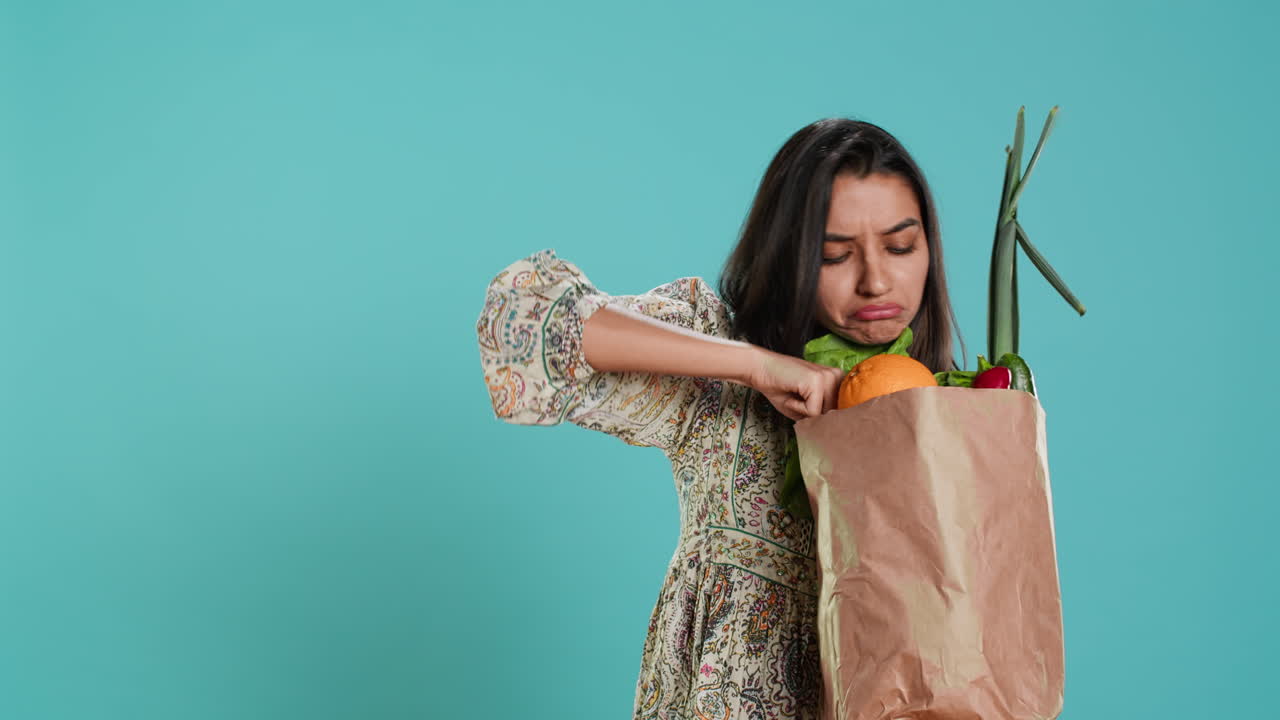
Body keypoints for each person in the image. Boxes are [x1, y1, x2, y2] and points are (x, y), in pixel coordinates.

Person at [474, 118, 965, 720]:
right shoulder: (716, 375)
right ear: (791, 257)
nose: (876, 280)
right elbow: (522, 326)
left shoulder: (951, 407)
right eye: (835, 255)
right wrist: (753, 366)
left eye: (900, 246)